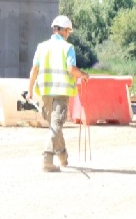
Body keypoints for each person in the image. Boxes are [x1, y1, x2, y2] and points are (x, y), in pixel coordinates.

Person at [27, 14, 89, 172]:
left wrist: (29, 91)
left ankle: (62, 157)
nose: (68, 34)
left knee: (55, 125)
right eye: (68, 31)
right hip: (61, 93)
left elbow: (34, 69)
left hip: (46, 92)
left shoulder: (41, 47)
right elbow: (71, 69)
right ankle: (47, 159)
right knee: (56, 125)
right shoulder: (68, 48)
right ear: (65, 31)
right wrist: (83, 75)